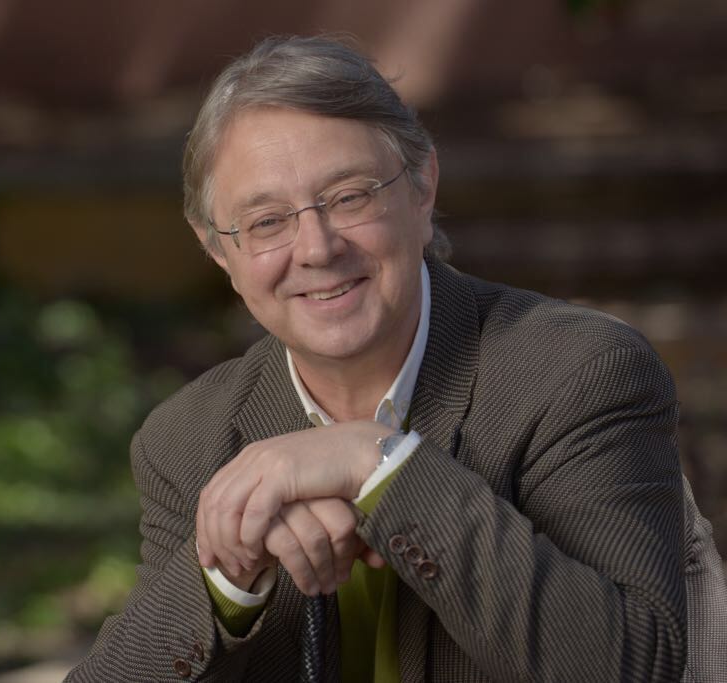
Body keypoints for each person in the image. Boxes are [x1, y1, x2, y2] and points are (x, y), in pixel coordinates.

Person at [66, 35, 726, 682]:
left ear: (422, 186)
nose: (317, 248)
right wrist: (224, 581)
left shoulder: (581, 372)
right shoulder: (186, 440)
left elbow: (627, 664)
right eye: (267, 221)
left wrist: (379, 462)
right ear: (218, 248)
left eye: (350, 196)